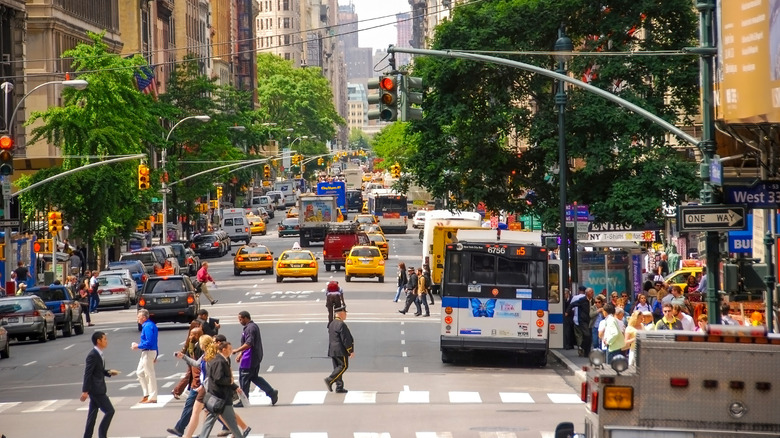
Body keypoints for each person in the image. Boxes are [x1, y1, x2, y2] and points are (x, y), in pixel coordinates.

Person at [199, 340, 246, 438]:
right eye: (229, 349)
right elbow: (218, 378)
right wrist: (230, 380)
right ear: (223, 350)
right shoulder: (220, 361)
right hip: (221, 398)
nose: (231, 351)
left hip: (216, 397)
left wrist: (235, 386)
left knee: (211, 420)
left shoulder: (218, 359)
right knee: (231, 422)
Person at [232, 311, 278, 407]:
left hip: (250, 358)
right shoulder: (250, 327)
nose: (239, 321)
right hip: (252, 357)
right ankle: (271, 392)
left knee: (244, 379)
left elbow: (249, 343)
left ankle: (244, 400)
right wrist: (241, 354)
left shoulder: (250, 328)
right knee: (254, 377)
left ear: (245, 318)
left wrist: (237, 350)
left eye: (240, 319)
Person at [81, 331, 120, 438]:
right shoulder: (93, 355)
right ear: (98, 341)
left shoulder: (99, 353)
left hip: (96, 389)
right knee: (110, 411)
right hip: (97, 390)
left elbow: (98, 370)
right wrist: (85, 391)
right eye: (105, 339)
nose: (106, 341)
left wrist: (108, 372)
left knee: (92, 415)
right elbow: (88, 373)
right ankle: (102, 435)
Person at [324, 305, 354, 394]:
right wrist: (350, 350)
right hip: (340, 350)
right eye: (345, 313)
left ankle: (339, 386)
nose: (346, 315)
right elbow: (345, 339)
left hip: (332, 349)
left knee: (337, 368)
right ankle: (330, 379)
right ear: (341, 313)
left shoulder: (332, 323)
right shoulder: (341, 324)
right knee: (343, 366)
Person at [131, 309, 158, 403]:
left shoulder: (148, 326)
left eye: (139, 317)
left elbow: (150, 342)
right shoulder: (148, 325)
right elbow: (154, 341)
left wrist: (137, 346)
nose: (137, 319)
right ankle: (146, 394)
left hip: (148, 352)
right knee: (139, 372)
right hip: (147, 352)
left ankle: (153, 396)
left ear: (144, 317)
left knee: (150, 374)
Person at [171, 323, 203, 400]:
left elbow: (198, 362)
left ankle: (178, 391)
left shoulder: (200, 347)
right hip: (193, 366)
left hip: (197, 371)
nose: (189, 337)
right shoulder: (193, 343)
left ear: (197, 335)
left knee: (189, 377)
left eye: (191, 335)